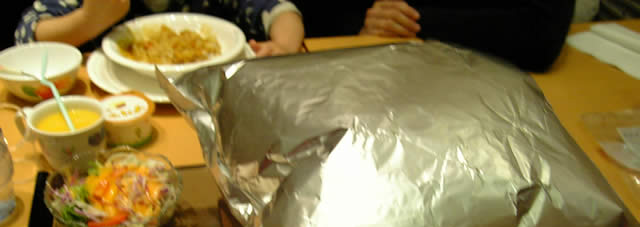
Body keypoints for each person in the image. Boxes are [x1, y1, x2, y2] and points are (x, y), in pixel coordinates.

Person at [295, 1, 576, 72]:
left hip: (487, 82)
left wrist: (415, 21)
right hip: (373, 66)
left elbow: (541, 34)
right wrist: (363, 24)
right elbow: (315, 15)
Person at [15, 0, 304, 57]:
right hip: (119, 105)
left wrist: (284, 45)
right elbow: (28, 35)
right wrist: (87, 20)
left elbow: (278, 9)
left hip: (209, 101)